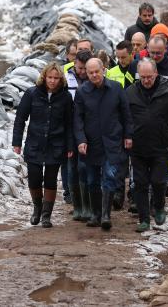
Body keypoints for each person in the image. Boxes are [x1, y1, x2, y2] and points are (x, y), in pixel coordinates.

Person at [126, 58, 168, 232]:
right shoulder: (130, 92)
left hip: (161, 144)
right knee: (140, 183)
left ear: (156, 74)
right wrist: (125, 138)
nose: (146, 81)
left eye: (149, 77)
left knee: (159, 181)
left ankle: (159, 207)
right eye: (143, 77)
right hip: (138, 146)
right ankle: (143, 219)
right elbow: (124, 118)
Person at [74, 58, 133, 230]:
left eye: (96, 72)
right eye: (90, 72)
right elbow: (77, 119)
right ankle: (96, 214)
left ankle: (106, 215)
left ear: (103, 70)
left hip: (112, 141)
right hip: (91, 143)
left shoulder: (116, 89)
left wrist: (128, 135)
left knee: (109, 175)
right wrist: (81, 140)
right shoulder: (82, 92)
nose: (94, 75)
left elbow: (126, 114)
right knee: (92, 180)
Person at [13, 62, 74, 228]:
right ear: (44, 77)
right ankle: (37, 208)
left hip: (56, 143)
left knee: (50, 179)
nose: (52, 81)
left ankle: (47, 215)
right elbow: (20, 118)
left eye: (56, 78)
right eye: (50, 77)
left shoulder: (65, 97)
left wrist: (70, 146)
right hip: (35, 142)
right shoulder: (32, 94)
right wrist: (17, 142)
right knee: (34, 177)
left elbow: (69, 123)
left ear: (60, 79)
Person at [140, 36, 168, 196]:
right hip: (144, 120)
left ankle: (166, 179)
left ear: (166, 49)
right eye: (151, 52)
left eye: (158, 53)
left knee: (166, 155)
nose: (155, 56)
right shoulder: (140, 65)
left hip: (166, 121)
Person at [106, 40, 137, 209]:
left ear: (132, 54)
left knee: (137, 160)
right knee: (119, 159)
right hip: (118, 121)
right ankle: (118, 193)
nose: (121, 60)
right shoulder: (112, 72)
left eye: (124, 57)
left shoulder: (140, 70)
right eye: (118, 57)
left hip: (137, 120)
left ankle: (134, 193)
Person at [66, 50, 94, 221]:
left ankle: (88, 205)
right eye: (80, 68)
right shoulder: (66, 76)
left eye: (85, 68)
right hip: (70, 126)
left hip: (89, 127)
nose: (82, 72)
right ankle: (77, 206)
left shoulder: (94, 76)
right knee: (72, 168)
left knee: (86, 167)